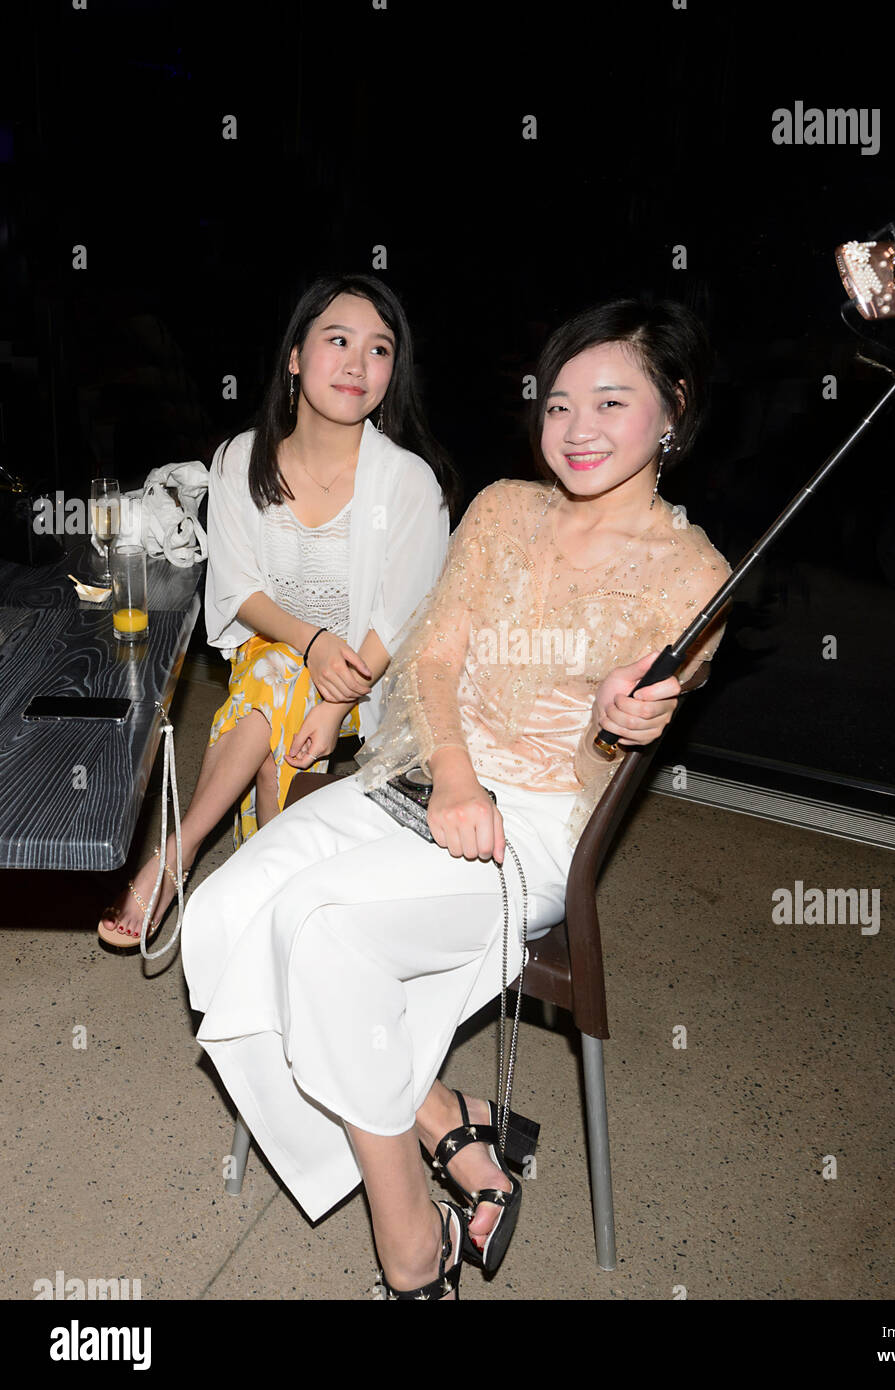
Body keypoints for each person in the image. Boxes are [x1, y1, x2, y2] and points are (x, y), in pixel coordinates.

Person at [180, 297, 733, 1299]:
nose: (576, 428)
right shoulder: (503, 509)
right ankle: (442, 1116)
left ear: (673, 413)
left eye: (612, 402)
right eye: (560, 403)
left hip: (525, 831)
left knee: (321, 934)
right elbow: (432, 657)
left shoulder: (692, 577)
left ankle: (410, 1244)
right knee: (220, 916)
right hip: (420, 774)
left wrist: (632, 706)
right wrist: (456, 775)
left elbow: (651, 693)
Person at [98, 274, 455, 951]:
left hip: (374, 668)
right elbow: (238, 590)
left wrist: (331, 697)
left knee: (279, 703)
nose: (356, 363)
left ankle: (178, 856)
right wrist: (311, 644)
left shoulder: (407, 481)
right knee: (277, 696)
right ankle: (277, 909)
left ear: (392, 372)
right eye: (338, 340)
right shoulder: (240, 458)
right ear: (295, 356)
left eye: (379, 350)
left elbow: (406, 613)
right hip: (279, 649)